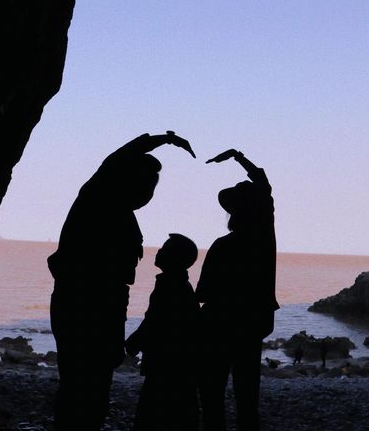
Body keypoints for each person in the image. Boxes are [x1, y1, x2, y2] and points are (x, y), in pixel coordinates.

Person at [47, 131, 195, 431]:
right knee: (79, 383)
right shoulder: (95, 198)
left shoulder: (123, 215)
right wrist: (164, 139)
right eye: (144, 185)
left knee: (96, 385)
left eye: (151, 188)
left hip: (108, 306)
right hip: (80, 303)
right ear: (125, 179)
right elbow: (114, 160)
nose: (147, 194)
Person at [196, 149, 278, 431]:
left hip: (219, 323)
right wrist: (238, 157)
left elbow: (203, 294)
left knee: (211, 388)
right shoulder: (264, 237)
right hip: (253, 322)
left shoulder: (222, 246)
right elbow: (264, 187)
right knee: (247, 389)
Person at [125, 234, 201, 431]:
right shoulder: (179, 285)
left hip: (167, 363)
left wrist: (134, 342)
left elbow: (155, 321)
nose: (159, 251)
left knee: (152, 412)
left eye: (165, 248)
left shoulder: (170, 286)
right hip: (178, 364)